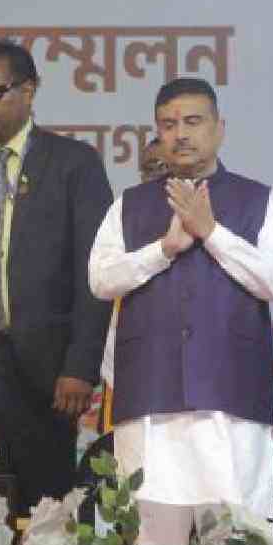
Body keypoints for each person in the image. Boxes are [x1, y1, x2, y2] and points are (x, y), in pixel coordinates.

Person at [89, 77, 273, 545]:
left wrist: (211, 232)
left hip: (230, 398)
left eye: (193, 122)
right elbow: (101, 279)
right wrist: (166, 248)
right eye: (168, 124)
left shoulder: (256, 200)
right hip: (150, 400)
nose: (180, 134)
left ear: (219, 129)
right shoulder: (129, 204)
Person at [0, 40, 113, 511]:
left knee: (43, 509)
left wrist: (80, 366)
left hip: (45, 369)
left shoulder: (74, 163)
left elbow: (92, 274)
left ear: (28, 91)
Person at [98, 138, 168, 433]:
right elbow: (102, 281)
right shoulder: (125, 216)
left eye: (164, 167)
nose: (156, 175)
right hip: (129, 365)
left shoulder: (208, 218)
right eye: (149, 168)